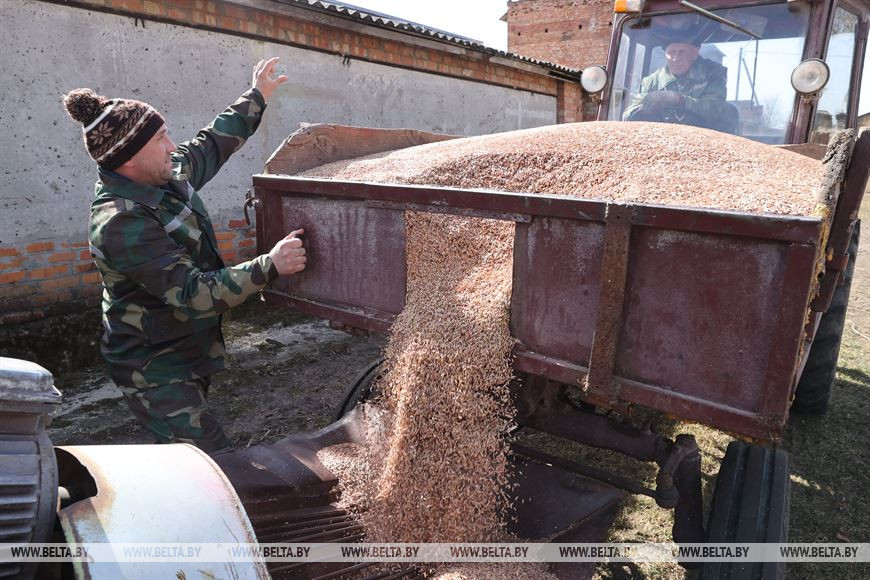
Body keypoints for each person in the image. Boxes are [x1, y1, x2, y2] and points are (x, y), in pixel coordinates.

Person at [62, 58, 307, 454]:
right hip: (154, 365)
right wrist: (270, 265)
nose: (172, 146)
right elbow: (193, 293)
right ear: (128, 158)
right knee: (212, 464)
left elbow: (211, 144)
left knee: (184, 458)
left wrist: (256, 96)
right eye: (161, 138)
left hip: (184, 345)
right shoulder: (121, 224)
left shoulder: (163, 172)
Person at [622, 36, 731, 131]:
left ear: (695, 54)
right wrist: (644, 110)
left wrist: (678, 99)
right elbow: (628, 116)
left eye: (682, 52)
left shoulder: (714, 75)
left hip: (708, 140)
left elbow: (712, 111)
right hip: (661, 139)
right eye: (671, 52)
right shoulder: (652, 82)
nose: (675, 58)